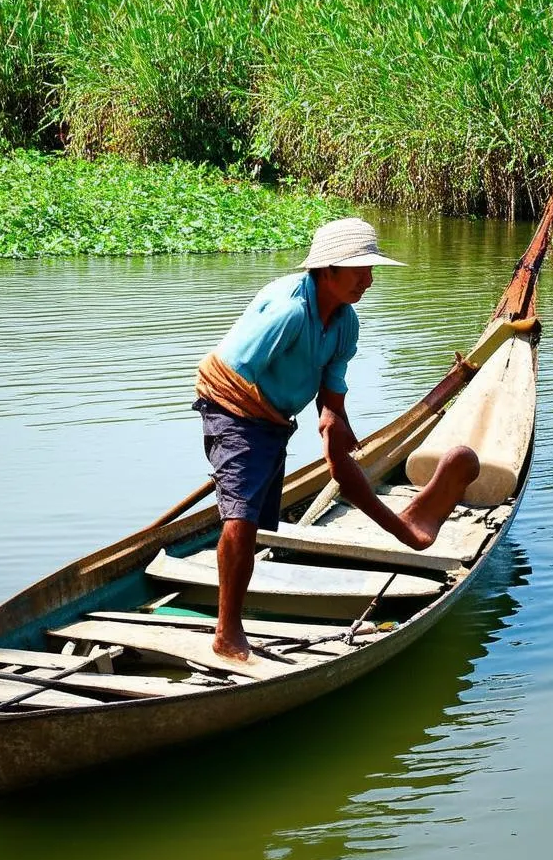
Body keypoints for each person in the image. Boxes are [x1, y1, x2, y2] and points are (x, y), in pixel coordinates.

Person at [193, 217, 480, 660]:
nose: (368, 280)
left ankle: (406, 529)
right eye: (358, 271)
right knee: (243, 515)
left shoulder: (346, 322)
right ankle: (226, 631)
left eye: (370, 271)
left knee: (265, 523)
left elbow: (332, 390)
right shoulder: (290, 311)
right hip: (233, 409)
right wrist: (257, 442)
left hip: (273, 419)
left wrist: (332, 419)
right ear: (326, 270)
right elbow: (230, 374)